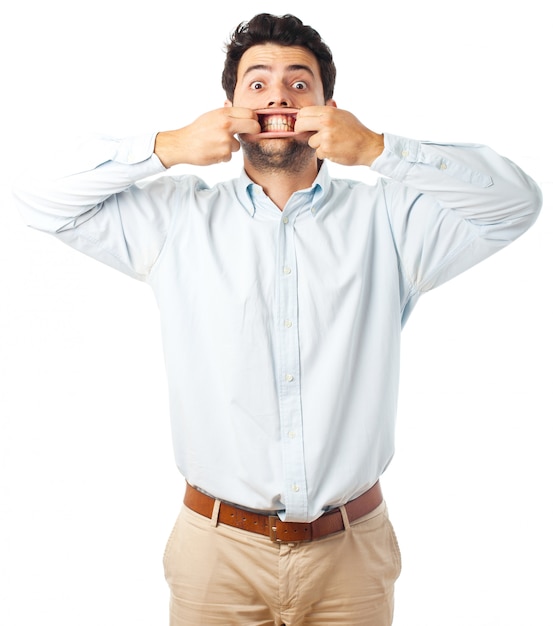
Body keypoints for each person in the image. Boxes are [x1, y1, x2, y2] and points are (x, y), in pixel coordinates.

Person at [12, 12, 541, 626]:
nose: (278, 96)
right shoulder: (176, 221)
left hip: (352, 553)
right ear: (231, 110)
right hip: (216, 554)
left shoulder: (391, 222)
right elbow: (37, 199)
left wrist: (377, 149)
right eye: (257, 83)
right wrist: (167, 148)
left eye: (299, 83)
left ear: (329, 107)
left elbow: (516, 204)